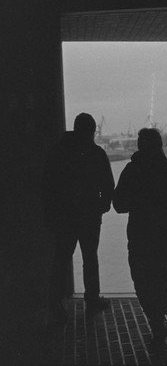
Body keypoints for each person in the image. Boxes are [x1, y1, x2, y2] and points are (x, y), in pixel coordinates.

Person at [113, 128, 167, 345]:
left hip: (140, 231)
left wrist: (137, 203)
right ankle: (158, 316)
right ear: (160, 145)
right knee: (162, 275)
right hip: (166, 232)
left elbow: (119, 205)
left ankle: (153, 316)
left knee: (140, 276)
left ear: (140, 145)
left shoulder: (132, 170)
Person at [42, 113, 114, 322]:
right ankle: (92, 299)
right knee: (90, 258)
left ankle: (55, 304)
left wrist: (51, 216)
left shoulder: (57, 152)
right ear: (92, 131)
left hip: (64, 217)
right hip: (90, 216)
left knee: (61, 259)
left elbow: (47, 187)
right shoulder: (96, 153)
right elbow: (108, 185)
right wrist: (102, 206)